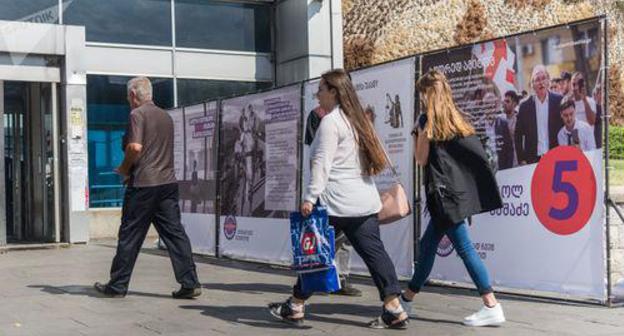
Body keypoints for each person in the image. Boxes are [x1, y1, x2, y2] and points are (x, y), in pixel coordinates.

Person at [268, 69, 409, 329]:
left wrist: (310, 197)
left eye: (321, 89)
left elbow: (322, 163)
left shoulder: (331, 123)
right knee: (375, 254)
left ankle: (296, 305)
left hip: (335, 202)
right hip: (364, 202)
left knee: (315, 254)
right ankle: (394, 307)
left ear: (333, 91)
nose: (317, 94)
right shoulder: (358, 120)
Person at [399, 69, 505, 327]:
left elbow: (421, 159)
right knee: (427, 247)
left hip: (443, 199)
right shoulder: (456, 119)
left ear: (427, 94)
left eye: (422, 94)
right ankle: (407, 299)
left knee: (465, 249)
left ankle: (491, 304)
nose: (420, 99)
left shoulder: (427, 122)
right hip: (452, 197)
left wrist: (419, 134)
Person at [94, 77, 201, 299]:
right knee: (174, 233)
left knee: (130, 235)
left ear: (133, 95)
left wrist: (124, 169)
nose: (127, 100)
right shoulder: (166, 116)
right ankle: (190, 282)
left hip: (143, 186)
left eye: (127, 97)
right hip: (167, 184)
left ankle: (117, 285)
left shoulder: (137, 114)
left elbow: (135, 147)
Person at [303, 105, 362, 297]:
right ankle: (318, 277)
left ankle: (341, 279)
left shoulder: (352, 114)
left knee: (345, 236)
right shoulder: (318, 115)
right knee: (325, 233)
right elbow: (315, 154)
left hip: (348, 183)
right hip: (327, 185)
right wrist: (315, 188)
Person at [514, 65, 564, 165]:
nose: (541, 82)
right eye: (537, 79)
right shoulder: (524, 106)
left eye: (543, 78)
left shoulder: (558, 100)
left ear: (548, 81)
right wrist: (521, 159)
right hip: (533, 159)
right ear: (532, 84)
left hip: (556, 155)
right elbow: (518, 135)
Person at [481, 92, 514, 170]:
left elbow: (509, 149)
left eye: (493, 106)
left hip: (502, 168)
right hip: (486, 170)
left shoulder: (503, 123)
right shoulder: (478, 126)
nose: (490, 109)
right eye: (487, 106)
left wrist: (508, 170)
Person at [502, 90, 520, 167]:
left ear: (514, 104)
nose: (504, 104)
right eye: (504, 101)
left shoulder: (520, 120)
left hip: (518, 160)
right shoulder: (500, 121)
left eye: (507, 101)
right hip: (505, 161)